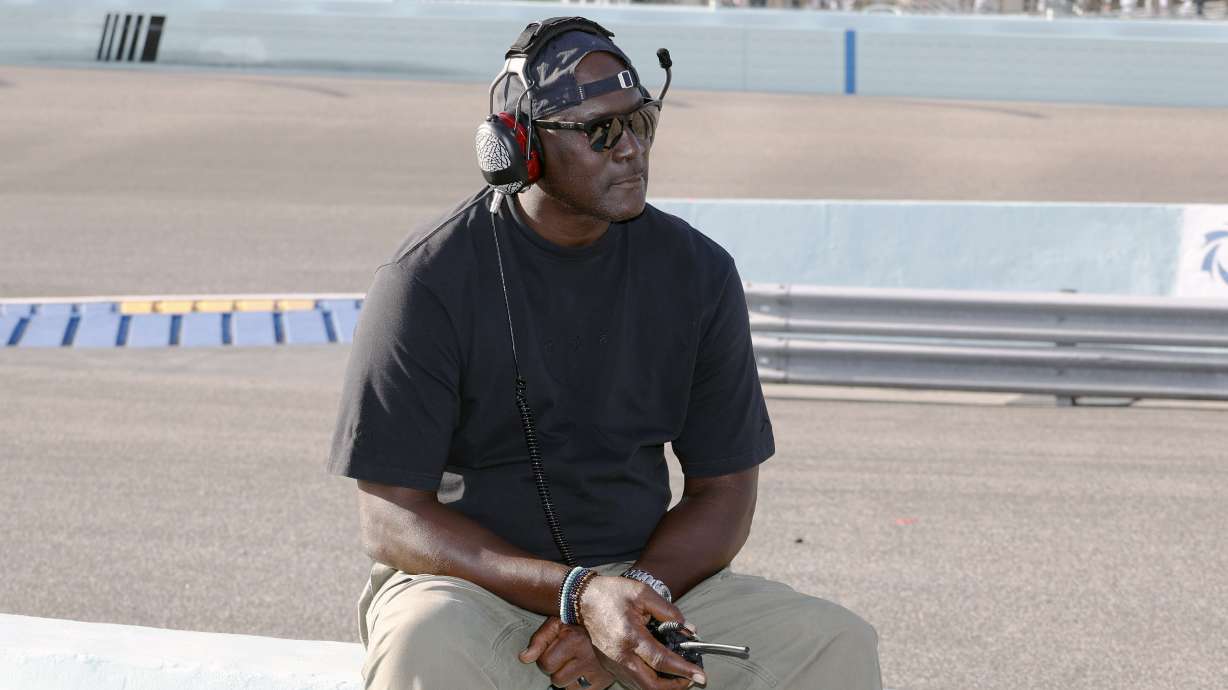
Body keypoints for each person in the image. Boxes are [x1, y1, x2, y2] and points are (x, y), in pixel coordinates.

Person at [327, 16, 882, 690]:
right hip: (475, 590)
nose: (631, 150)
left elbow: (726, 492)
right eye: (599, 131)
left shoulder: (698, 273)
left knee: (832, 644)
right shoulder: (426, 280)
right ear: (520, 148)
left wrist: (635, 603)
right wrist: (577, 596)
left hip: (650, 580)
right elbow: (389, 518)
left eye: (640, 121)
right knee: (424, 645)